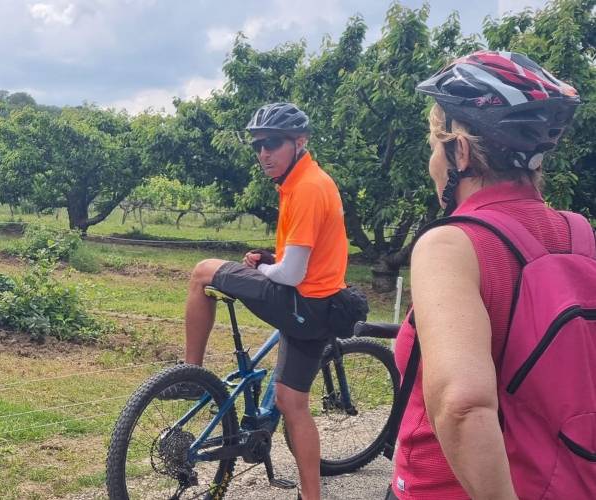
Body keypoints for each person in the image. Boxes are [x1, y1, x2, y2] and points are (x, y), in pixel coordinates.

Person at [390, 51, 587, 499]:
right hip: (561, 479)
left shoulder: (451, 245)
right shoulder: (580, 235)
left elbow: (462, 406)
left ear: (459, 150)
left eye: (433, 148)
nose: (432, 165)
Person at [164, 103, 349, 500]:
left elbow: (292, 275)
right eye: (257, 146)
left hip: (296, 300)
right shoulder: (311, 181)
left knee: (201, 273)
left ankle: (191, 376)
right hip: (318, 308)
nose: (264, 153)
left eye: (272, 143)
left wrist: (267, 271)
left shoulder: (306, 188)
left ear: (300, 142)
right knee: (291, 403)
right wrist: (272, 261)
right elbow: (303, 259)